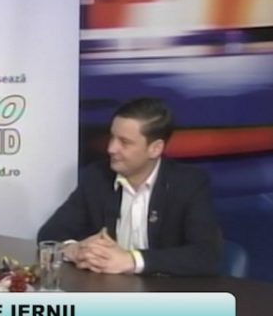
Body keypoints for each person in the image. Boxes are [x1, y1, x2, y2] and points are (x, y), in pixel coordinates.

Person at [37, 97, 221, 276]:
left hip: (164, 291)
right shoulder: (97, 177)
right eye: (112, 137)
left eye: (124, 142)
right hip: (108, 289)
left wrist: (132, 260)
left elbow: (207, 255)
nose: (111, 148)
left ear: (155, 149)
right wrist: (75, 250)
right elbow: (49, 235)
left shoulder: (189, 183)